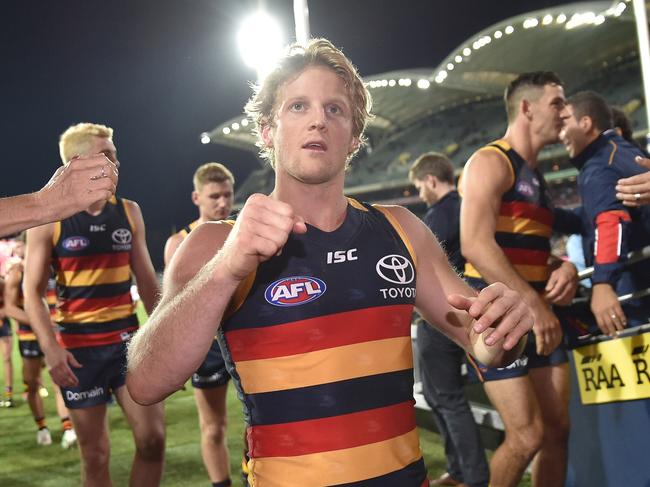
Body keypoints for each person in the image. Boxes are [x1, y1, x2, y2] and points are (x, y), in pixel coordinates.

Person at [127, 38, 533, 487]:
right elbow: (145, 382)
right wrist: (226, 269)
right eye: (298, 106)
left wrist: (502, 330)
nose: (318, 119)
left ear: (355, 136)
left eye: (335, 109)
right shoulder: (215, 242)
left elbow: (482, 340)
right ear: (267, 129)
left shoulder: (401, 230)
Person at [23, 123, 165, 486]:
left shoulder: (129, 211)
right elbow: (31, 291)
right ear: (77, 162)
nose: (118, 162)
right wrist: (51, 350)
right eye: (108, 155)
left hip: (127, 345)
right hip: (79, 352)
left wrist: (166, 337)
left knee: (152, 441)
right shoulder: (47, 221)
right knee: (96, 454)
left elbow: (147, 282)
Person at [460, 71, 579, 487]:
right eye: (557, 103)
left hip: (535, 309)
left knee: (556, 431)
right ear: (527, 108)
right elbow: (475, 244)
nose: (566, 112)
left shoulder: (537, 179)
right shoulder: (491, 160)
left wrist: (562, 267)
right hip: (499, 313)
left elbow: (527, 251)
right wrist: (535, 303)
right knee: (527, 435)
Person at [408, 152, 488, 487]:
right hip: (459, 316)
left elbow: (418, 267)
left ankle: (471, 475)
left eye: (418, 187)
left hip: (440, 319)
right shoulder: (464, 208)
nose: (419, 194)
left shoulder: (439, 215)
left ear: (430, 180)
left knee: (447, 398)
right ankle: (460, 470)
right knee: (441, 395)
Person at [164, 162, 235, 487]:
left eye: (227, 194)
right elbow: (171, 306)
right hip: (206, 345)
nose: (222, 202)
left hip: (245, 337)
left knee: (266, 418)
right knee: (214, 426)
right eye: (214, 196)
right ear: (197, 197)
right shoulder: (180, 243)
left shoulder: (245, 230)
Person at [560, 91, 650, 334]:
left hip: (636, 288)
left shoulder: (599, 164)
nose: (560, 133)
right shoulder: (629, 152)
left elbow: (612, 220)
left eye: (564, 123)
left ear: (586, 123)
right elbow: (593, 216)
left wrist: (602, 283)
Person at [4, 236, 78, 448]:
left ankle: (68, 428)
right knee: (33, 382)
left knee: (60, 380)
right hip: (30, 335)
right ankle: (42, 427)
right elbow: (9, 308)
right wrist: (40, 322)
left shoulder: (54, 264)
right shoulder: (18, 271)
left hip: (55, 333)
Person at [0, 154, 118, 238]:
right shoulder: (46, 226)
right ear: (75, 160)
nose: (115, 162)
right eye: (105, 154)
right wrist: (42, 204)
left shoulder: (128, 210)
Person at [0, 275, 14, 408]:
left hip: (3, 325)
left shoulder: (2, 283)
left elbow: (9, 306)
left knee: (7, 358)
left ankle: (9, 395)